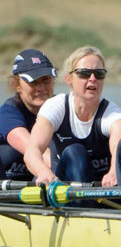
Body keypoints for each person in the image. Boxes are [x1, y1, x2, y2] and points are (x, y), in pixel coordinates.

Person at [24, 46, 121, 189]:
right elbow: (32, 150)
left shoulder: (111, 112)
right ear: (69, 79)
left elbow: (118, 140)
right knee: (75, 151)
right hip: (63, 190)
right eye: (84, 73)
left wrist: (114, 171)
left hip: (102, 194)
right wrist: (42, 171)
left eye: (99, 73)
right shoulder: (56, 107)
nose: (92, 79)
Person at [0, 48, 57, 180]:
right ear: (17, 85)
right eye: (33, 82)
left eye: (45, 80)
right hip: (0, 184)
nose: (41, 88)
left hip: (37, 183)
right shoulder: (8, 113)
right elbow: (34, 151)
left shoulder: (61, 107)